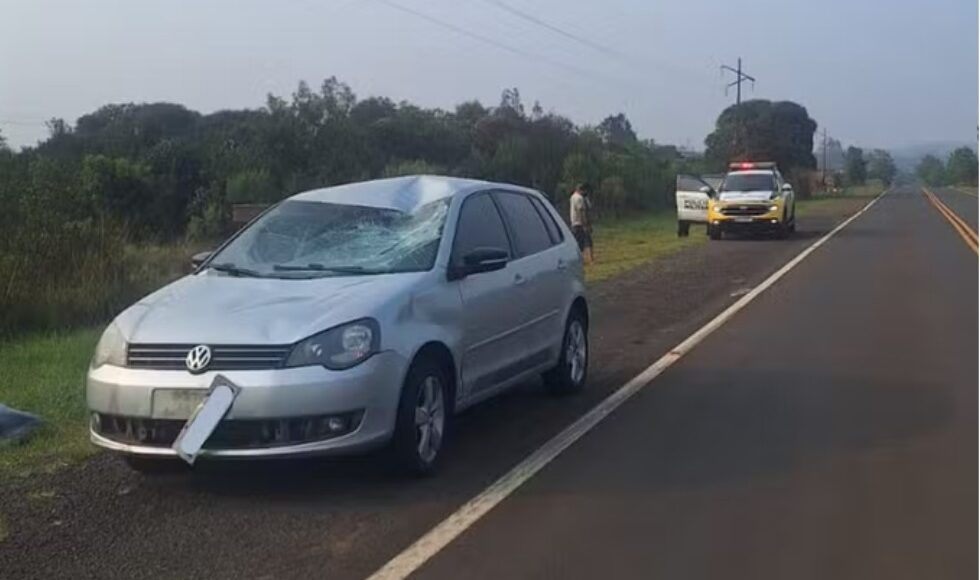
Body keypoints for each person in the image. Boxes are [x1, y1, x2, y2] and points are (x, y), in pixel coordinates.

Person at [569, 183, 594, 264]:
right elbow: (581, 211)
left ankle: (579, 259)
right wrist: (585, 224)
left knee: (578, 241)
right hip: (580, 223)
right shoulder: (579, 198)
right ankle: (588, 259)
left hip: (574, 222)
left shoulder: (573, 197)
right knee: (585, 241)